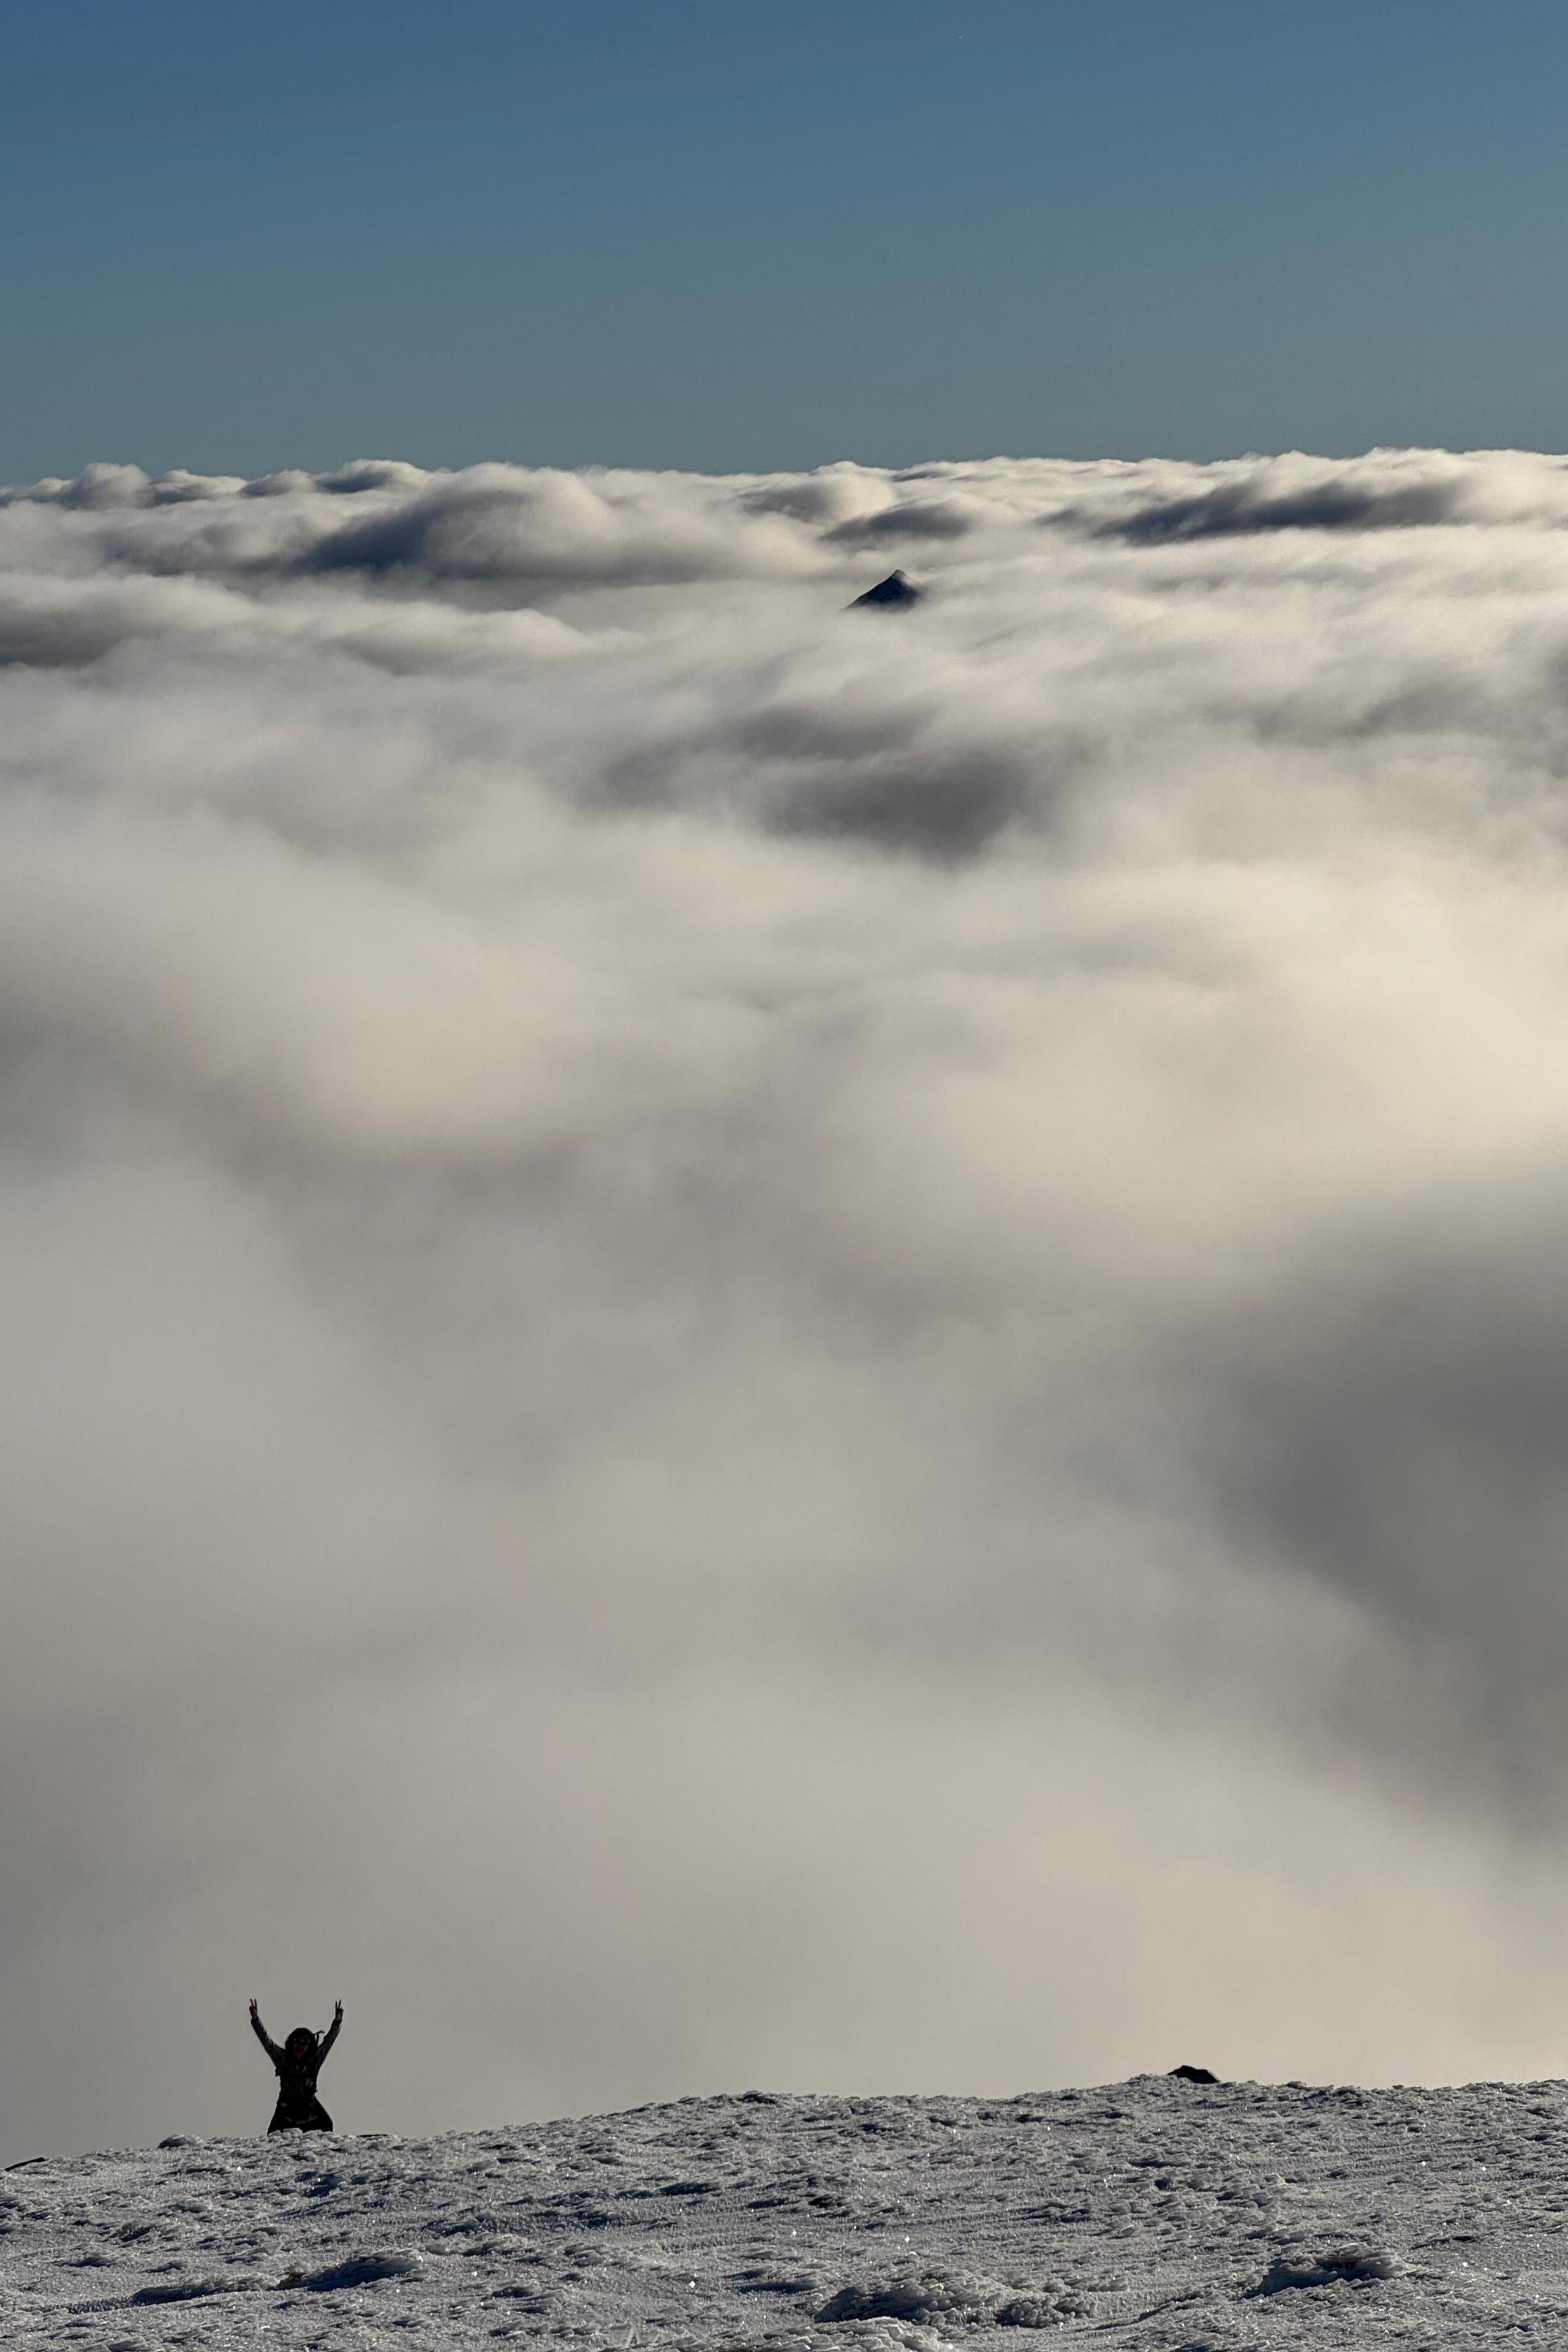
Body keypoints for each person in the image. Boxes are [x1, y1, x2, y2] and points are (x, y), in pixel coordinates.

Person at [249, 1997, 342, 2133]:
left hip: (309, 2111)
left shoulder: (314, 2061)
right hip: (286, 2112)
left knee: (327, 2125)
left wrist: (337, 2022)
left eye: (304, 2043)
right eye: (297, 2042)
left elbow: (328, 2043)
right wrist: (256, 2020)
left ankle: (322, 2153)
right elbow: (267, 2042)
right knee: (272, 2138)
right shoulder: (283, 2059)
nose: (300, 2046)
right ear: (292, 2043)